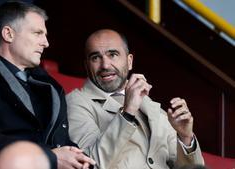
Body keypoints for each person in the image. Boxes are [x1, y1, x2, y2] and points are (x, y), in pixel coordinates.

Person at [0, 1, 95, 169]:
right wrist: (48, 157)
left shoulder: (49, 85)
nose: (46, 43)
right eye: (38, 33)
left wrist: (81, 159)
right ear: (8, 34)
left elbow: (60, 142)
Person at [66, 29, 204, 169]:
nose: (105, 65)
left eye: (113, 55)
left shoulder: (149, 105)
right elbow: (89, 164)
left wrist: (186, 138)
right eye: (95, 57)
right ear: (86, 66)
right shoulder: (76, 102)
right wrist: (127, 112)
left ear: (129, 61)